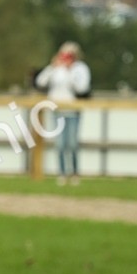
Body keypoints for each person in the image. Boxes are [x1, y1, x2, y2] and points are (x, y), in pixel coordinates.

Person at [35, 41, 91, 184]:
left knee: (72, 143)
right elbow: (40, 82)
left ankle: (74, 173)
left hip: (72, 111)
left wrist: (70, 71)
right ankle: (61, 173)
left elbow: (82, 89)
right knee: (60, 144)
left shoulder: (80, 69)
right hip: (57, 110)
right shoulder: (55, 68)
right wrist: (52, 67)